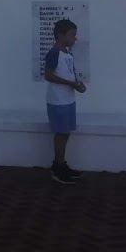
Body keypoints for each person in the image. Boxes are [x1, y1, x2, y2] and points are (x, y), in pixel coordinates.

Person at [43, 18, 86, 184]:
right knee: (60, 134)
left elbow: (70, 74)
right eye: (72, 35)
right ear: (61, 35)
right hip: (57, 101)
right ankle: (57, 169)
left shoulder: (68, 54)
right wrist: (70, 83)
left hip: (68, 100)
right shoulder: (54, 53)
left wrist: (77, 85)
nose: (75, 39)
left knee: (65, 133)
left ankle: (61, 164)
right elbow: (48, 75)